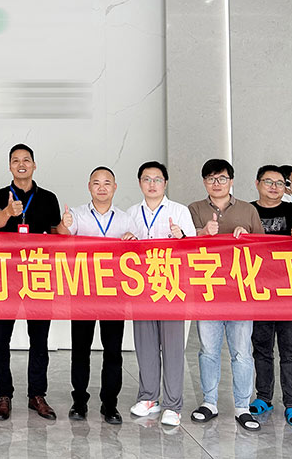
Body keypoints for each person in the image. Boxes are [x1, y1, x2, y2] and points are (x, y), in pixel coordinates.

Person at [57, 166, 139, 424]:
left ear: (115, 187)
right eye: (96, 183)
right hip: (83, 290)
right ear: (89, 187)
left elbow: (138, 252)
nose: (101, 187)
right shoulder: (77, 215)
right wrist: (63, 225)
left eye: (107, 183)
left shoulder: (126, 219)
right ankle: (79, 401)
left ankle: (109, 404)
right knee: (80, 349)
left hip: (114, 293)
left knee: (113, 351)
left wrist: (132, 239)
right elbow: (61, 237)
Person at [187, 158, 264, 431]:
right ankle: (209, 403)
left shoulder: (248, 210)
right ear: (204, 182)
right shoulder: (194, 209)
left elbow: (263, 249)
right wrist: (202, 232)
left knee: (241, 353)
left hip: (241, 293)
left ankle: (243, 407)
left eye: (221, 178)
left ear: (231, 181)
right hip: (207, 292)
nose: (216, 183)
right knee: (208, 351)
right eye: (211, 179)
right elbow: (183, 246)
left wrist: (248, 237)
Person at [0, 144, 61, 421]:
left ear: (34, 165)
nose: (21, 164)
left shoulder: (49, 198)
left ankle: (37, 395)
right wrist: (9, 212)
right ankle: (3, 395)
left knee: (39, 339)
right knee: (0, 339)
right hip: (5, 276)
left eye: (26, 160)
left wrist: (66, 226)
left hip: (39, 276)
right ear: (9, 166)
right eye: (16, 160)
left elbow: (57, 234)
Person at [124, 161, 196, 427]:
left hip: (171, 286)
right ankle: (148, 398)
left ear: (165, 183)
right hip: (142, 287)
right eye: (147, 179)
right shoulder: (131, 213)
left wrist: (182, 237)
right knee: (145, 345)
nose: (152, 184)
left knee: (173, 348)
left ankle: (173, 405)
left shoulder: (179, 211)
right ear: (140, 183)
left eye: (157, 179)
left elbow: (194, 249)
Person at [249, 165, 292, 426]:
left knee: (291, 350)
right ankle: (263, 396)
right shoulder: (248, 210)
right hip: (259, 291)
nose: (274, 187)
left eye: (279, 183)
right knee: (261, 348)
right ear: (257, 183)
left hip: (290, 292)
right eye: (268, 182)